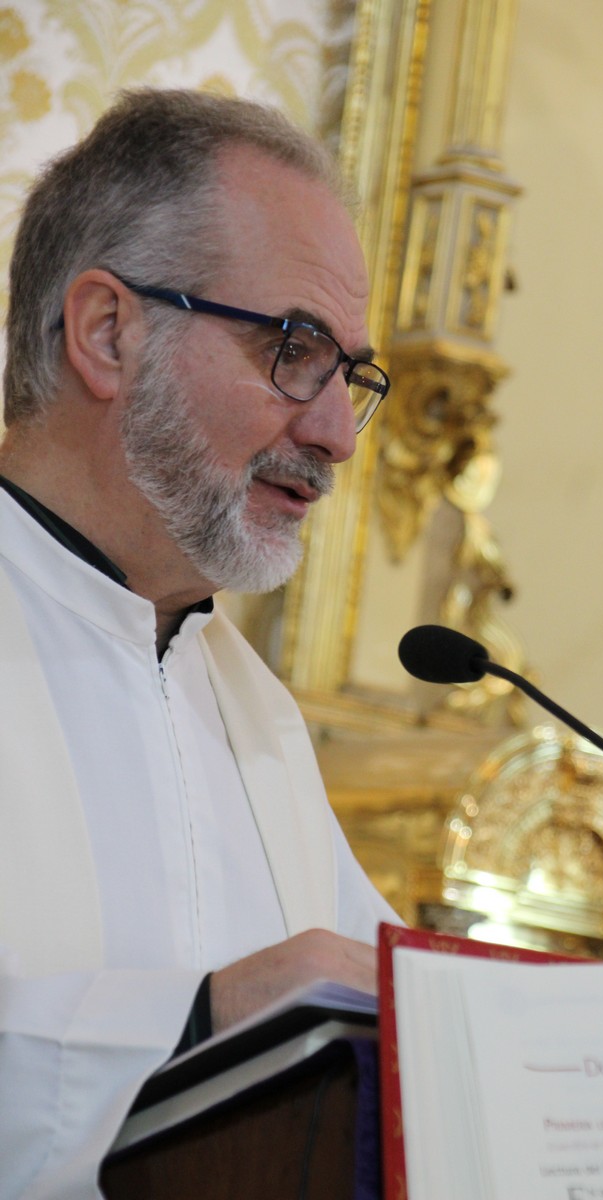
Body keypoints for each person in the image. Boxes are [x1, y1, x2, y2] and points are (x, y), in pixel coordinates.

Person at [0, 88, 397, 1198]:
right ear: (107, 332)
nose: (336, 433)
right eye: (294, 349)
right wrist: (201, 1021)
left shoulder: (256, 714)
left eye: (352, 376)